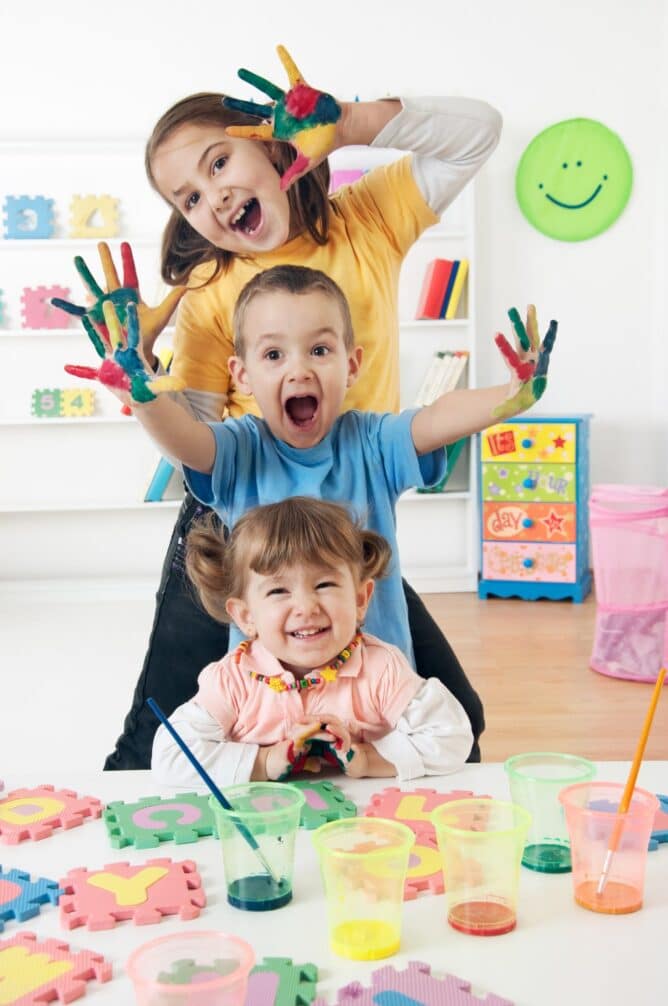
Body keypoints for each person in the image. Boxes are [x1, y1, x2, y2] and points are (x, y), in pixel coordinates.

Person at [79, 47, 503, 771]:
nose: (208, 198)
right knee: (160, 727)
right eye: (185, 197)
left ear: (272, 139)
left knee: (453, 711)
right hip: (240, 522)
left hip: (350, 510)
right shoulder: (211, 293)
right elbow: (200, 434)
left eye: (217, 164)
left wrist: (348, 125)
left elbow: (480, 132)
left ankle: (383, 806)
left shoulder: (366, 220)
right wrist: (141, 378)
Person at [75, 264, 555, 760]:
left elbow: (434, 420)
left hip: (373, 706)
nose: (299, 369)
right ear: (242, 373)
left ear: (352, 365)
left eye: (320, 350)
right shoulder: (241, 449)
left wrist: (509, 397)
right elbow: (187, 441)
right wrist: (142, 396)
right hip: (272, 708)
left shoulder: (372, 441)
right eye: (274, 353)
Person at [151, 496, 474, 785]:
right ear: (246, 616)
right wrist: (264, 762)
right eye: (279, 591)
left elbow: (452, 737)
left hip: (360, 834)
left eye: (324, 584)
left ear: (361, 599)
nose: (306, 607)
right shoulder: (232, 680)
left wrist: (366, 759)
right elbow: (170, 756)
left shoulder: (382, 669)